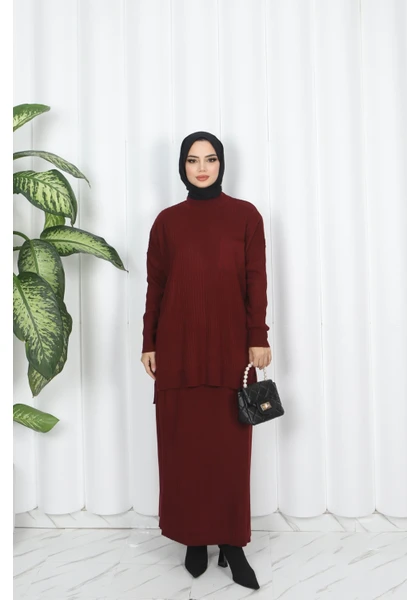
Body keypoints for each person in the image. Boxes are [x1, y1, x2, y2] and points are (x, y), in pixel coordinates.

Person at [140, 131, 272, 590]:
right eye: (193, 160)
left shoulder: (246, 216)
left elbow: (256, 280)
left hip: (230, 351)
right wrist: (149, 342)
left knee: (229, 454)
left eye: (210, 159)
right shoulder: (167, 222)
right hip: (177, 351)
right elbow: (156, 286)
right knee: (183, 451)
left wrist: (258, 336)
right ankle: (193, 538)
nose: (202, 168)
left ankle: (232, 544)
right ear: (182, 166)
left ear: (221, 164)